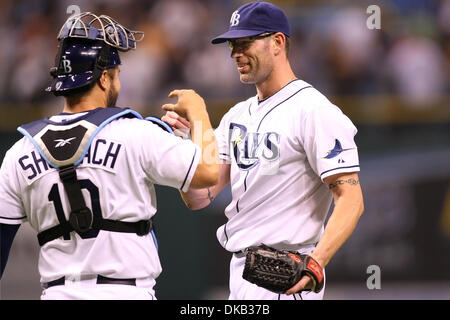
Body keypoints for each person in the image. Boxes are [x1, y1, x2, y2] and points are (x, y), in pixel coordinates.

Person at [0, 12, 219, 300]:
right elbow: (208, 173)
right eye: (116, 76)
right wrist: (199, 111)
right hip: (125, 292)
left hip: (57, 293)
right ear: (104, 78)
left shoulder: (19, 152)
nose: (118, 83)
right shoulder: (135, 133)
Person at [163, 1, 364, 300]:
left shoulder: (314, 110)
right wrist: (185, 145)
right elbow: (198, 197)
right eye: (232, 45)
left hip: (286, 273)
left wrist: (316, 264)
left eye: (245, 43)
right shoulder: (236, 116)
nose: (235, 53)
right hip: (241, 273)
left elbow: (351, 199)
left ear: (277, 42)